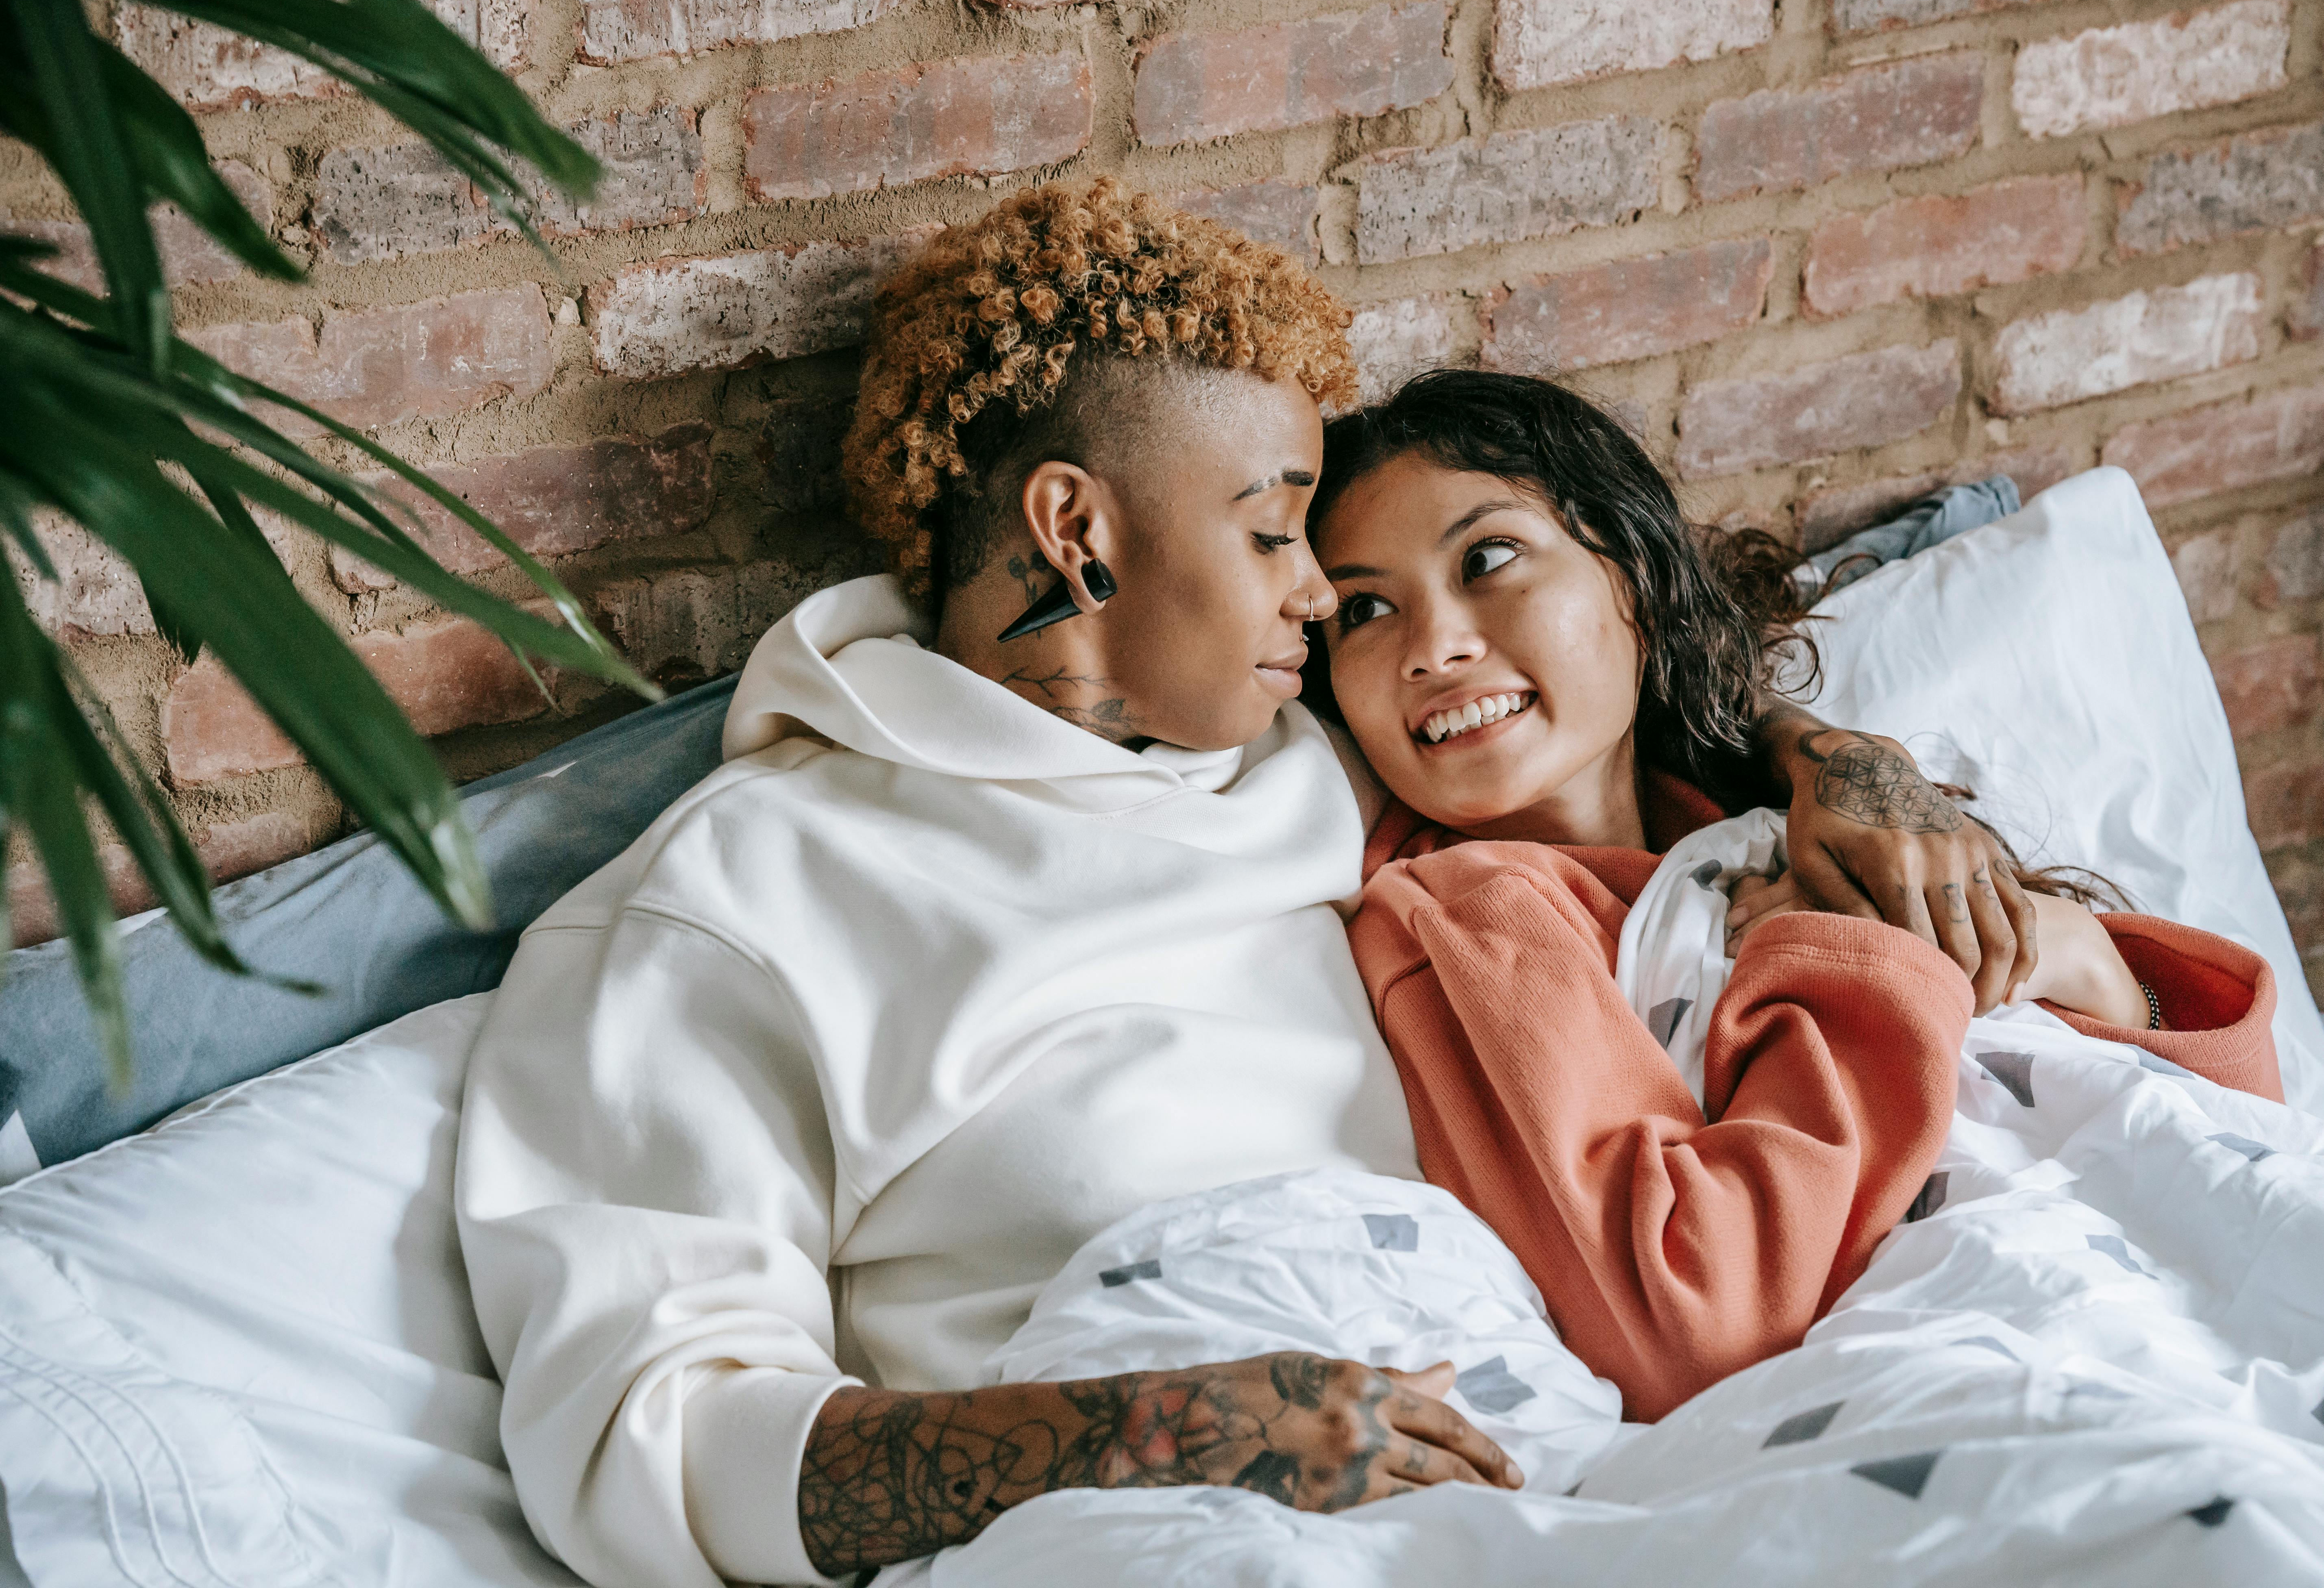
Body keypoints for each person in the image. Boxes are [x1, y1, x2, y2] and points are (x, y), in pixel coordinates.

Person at [456, 180, 2049, 1588]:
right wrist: (1150, 1431)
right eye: (1282, 533)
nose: (1323, 598)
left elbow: (1592, 695)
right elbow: (648, 1441)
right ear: (1074, 533)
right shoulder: (741, 901)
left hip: (1536, 1439)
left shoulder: (1311, 758)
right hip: (1144, 1488)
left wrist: (1831, 756)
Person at [1310, 369, 2283, 1423]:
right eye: (1364, 609)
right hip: (1976, 1377)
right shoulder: (1469, 913)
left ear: (1631, 575)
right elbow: (1687, 1319)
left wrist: (2072, 956)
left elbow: (2237, 1128)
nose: (1435, 647)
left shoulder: (1766, 817)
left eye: (1486, 558)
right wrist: (1845, 963)